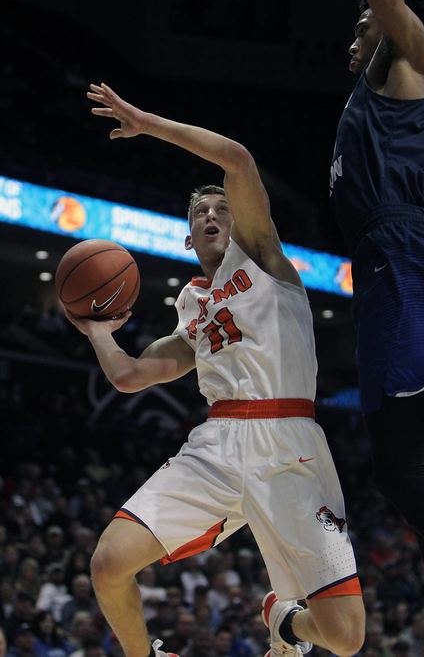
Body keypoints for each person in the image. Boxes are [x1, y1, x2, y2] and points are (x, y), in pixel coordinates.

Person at [66, 82, 366, 657]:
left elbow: (237, 159)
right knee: (107, 563)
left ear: (240, 222)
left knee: (345, 639)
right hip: (218, 443)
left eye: (221, 208)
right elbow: (131, 376)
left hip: (290, 444)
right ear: (187, 236)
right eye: (200, 211)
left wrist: (145, 123)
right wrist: (100, 334)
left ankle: (284, 620)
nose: (211, 214)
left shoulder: (265, 258)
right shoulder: (191, 308)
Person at [329, 0, 424, 652]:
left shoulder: (413, 58)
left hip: (399, 263)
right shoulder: (414, 109)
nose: (357, 28)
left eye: (364, 17)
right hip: (420, 266)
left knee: (400, 468)